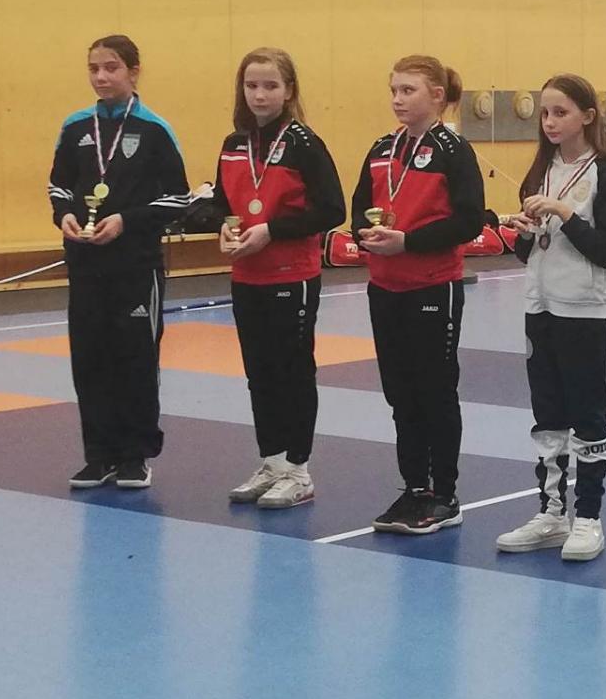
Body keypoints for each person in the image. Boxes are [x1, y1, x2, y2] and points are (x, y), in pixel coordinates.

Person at [191, 48, 344, 509]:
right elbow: (222, 202)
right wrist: (221, 225)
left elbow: (332, 210)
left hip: (292, 275)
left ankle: (298, 470)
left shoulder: (304, 144)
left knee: (292, 372)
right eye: (252, 85)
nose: (260, 95)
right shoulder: (233, 144)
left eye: (270, 86)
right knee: (259, 373)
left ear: (289, 90)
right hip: (247, 275)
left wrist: (271, 230)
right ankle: (272, 461)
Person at [496, 75, 606, 562]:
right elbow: (527, 252)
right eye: (545, 113)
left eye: (561, 112)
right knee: (547, 413)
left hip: (583, 310)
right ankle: (552, 512)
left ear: (587, 116)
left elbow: (605, 250)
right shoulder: (542, 170)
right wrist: (523, 230)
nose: (550, 122)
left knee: (586, 414)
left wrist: (565, 213)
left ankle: (589, 517)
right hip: (540, 306)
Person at [47, 34, 190, 491]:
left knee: (135, 359)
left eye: (111, 68)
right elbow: (58, 186)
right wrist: (65, 215)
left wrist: (127, 221)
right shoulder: (75, 127)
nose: (101, 77)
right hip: (86, 264)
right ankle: (99, 455)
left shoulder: (154, 130)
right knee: (90, 359)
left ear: (133, 71)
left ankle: (135, 455)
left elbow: (178, 198)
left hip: (136, 267)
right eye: (94, 68)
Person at [351, 56, 488, 537]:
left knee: (434, 390)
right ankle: (413, 487)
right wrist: (367, 235)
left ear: (436, 96)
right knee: (400, 393)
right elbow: (359, 210)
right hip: (385, 287)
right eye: (394, 90)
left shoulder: (454, 150)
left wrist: (408, 242)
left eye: (408, 90)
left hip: (433, 285)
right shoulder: (380, 148)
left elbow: (470, 220)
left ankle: (444, 494)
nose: (397, 99)